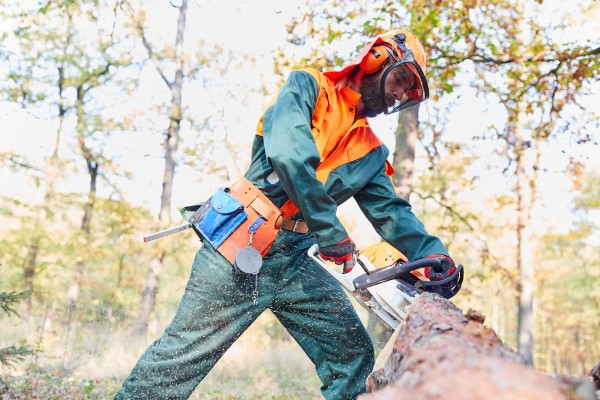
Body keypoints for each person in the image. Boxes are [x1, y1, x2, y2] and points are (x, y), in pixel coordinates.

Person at [115, 29, 458, 400]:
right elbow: (290, 156)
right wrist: (331, 232)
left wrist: (434, 256)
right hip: (242, 241)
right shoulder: (308, 87)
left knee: (352, 356)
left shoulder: (372, 150)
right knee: (179, 360)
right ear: (375, 59)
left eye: (408, 93)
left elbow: (392, 212)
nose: (400, 94)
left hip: (297, 257)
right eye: (402, 80)